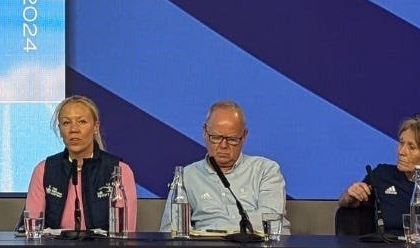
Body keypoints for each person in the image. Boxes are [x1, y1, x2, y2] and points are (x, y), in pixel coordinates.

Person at [159, 100, 286, 233]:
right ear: (204, 132)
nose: (223, 146)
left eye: (232, 139)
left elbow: (271, 222)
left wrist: (220, 232)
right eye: (216, 137)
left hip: (255, 244)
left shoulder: (266, 170)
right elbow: (171, 229)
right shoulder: (187, 176)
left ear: (244, 136)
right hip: (206, 245)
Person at [338, 113, 420, 234]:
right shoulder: (382, 174)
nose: (401, 151)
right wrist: (350, 194)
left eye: (411, 147)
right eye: (401, 143)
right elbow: (346, 203)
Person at [25, 95, 137, 232]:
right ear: (60, 129)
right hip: (54, 246)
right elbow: (33, 230)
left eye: (82, 122)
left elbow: (126, 233)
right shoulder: (44, 170)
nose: (74, 129)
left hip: (105, 246)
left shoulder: (119, 171)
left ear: (96, 127)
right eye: (66, 123)